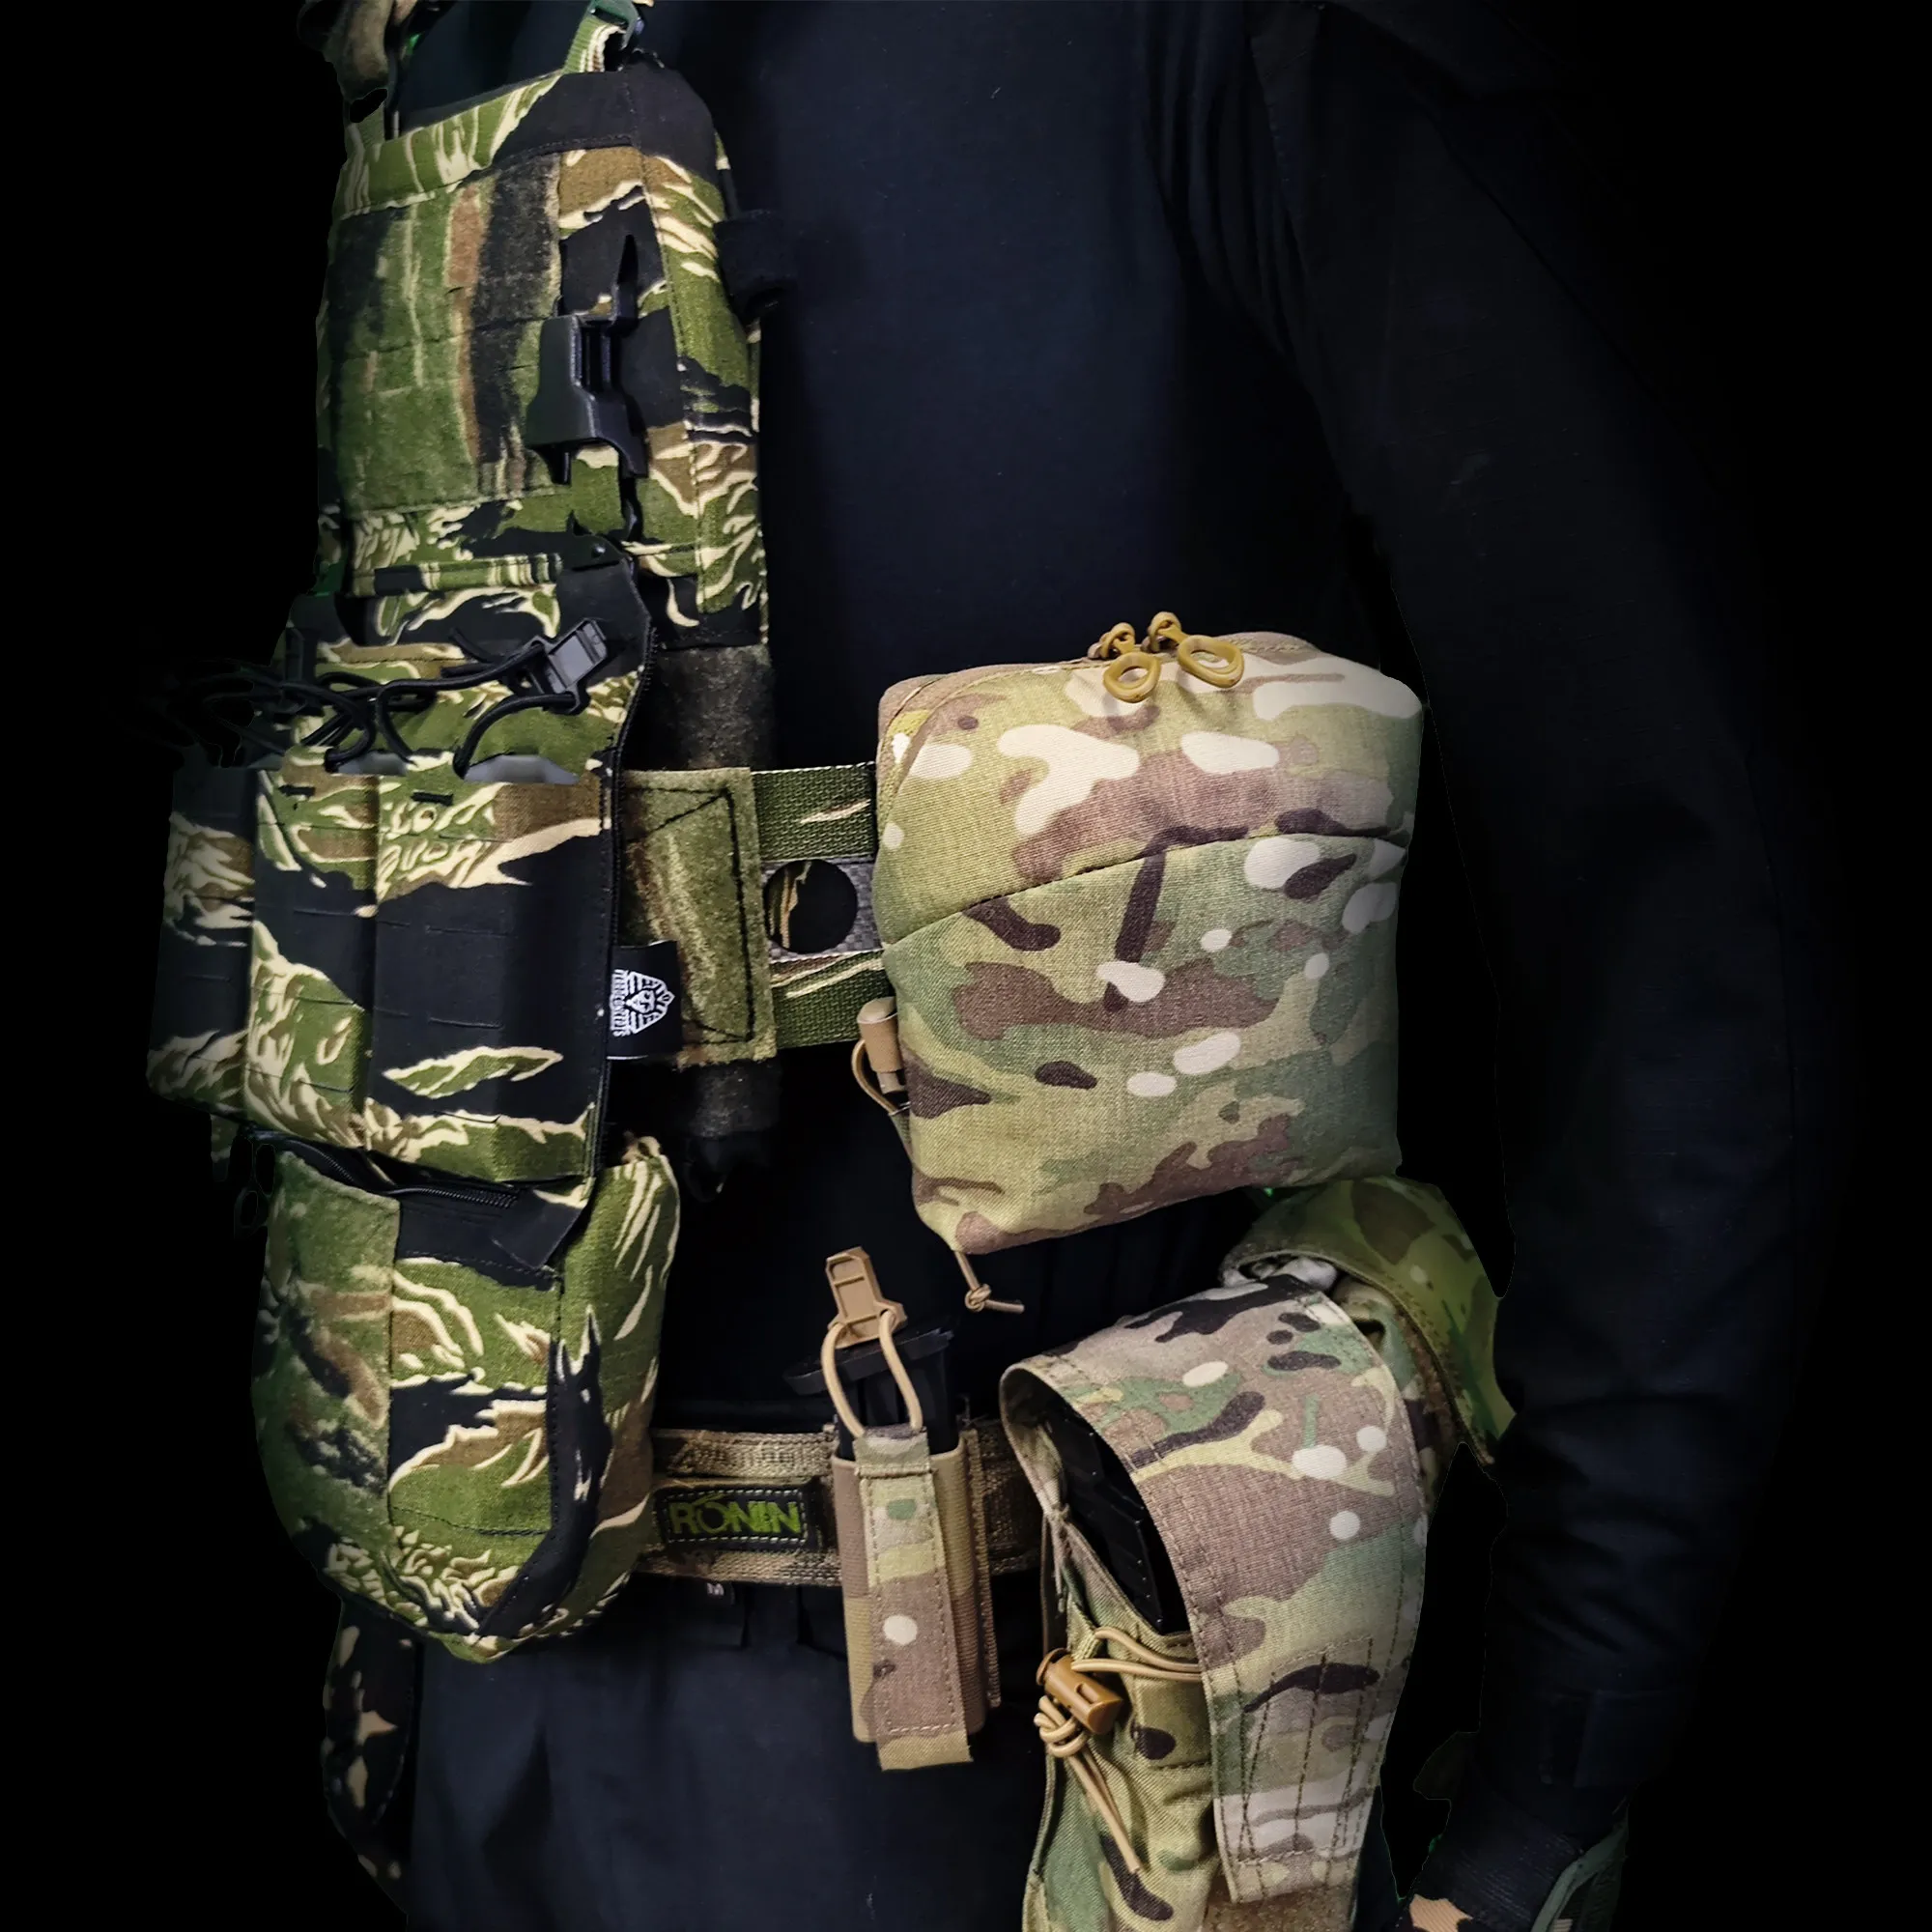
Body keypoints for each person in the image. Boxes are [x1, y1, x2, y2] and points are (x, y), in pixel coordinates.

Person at [298, 4, 1845, 1927]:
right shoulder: (448, 47)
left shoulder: (1230, 45)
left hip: (1080, 1766)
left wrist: (1556, 1763)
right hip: (487, 1694)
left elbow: (1683, 930)